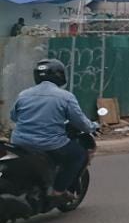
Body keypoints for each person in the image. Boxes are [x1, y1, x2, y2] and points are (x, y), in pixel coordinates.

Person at [8, 58, 98, 203]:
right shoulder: (65, 96)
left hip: (19, 142)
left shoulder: (24, 94)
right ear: (60, 75)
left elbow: (13, 116)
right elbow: (82, 124)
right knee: (78, 155)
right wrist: (93, 126)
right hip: (49, 144)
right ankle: (58, 191)